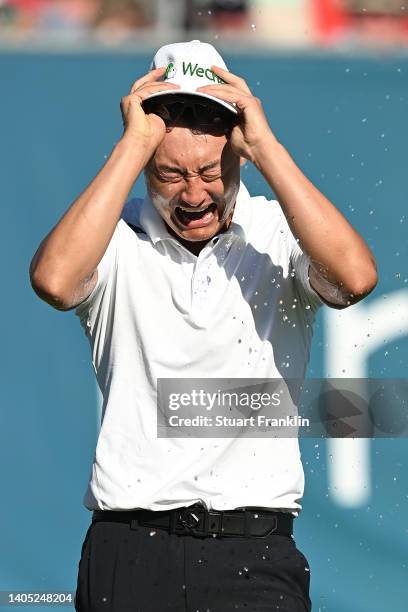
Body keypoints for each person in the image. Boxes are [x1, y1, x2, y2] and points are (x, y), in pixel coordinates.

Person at [29, 40, 377, 612]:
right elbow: (55, 282)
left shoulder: (278, 233)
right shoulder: (112, 238)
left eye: (210, 172)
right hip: (129, 547)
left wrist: (266, 145)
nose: (194, 195)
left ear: (239, 157)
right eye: (169, 174)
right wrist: (133, 143)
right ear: (143, 166)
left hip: (255, 553)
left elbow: (355, 277)